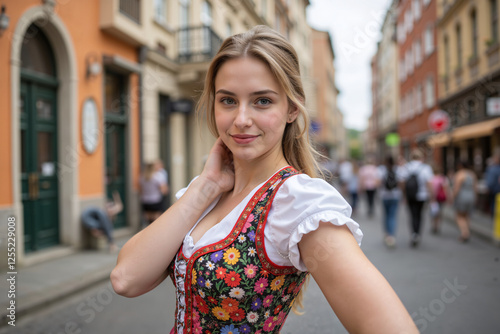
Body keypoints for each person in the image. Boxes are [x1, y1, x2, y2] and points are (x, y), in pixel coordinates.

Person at [111, 26, 417, 334]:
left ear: (292, 110)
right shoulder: (206, 192)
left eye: (262, 101)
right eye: (228, 100)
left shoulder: (298, 203)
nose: (241, 119)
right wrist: (205, 187)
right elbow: (126, 278)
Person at [401, 149, 434, 248]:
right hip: (422, 196)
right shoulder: (426, 168)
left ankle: (413, 233)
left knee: (412, 214)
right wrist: (432, 196)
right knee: (419, 215)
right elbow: (429, 183)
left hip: (410, 195)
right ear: (421, 157)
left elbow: (402, 182)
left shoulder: (406, 167)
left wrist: (404, 195)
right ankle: (417, 233)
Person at [379, 156, 403, 248]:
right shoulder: (399, 170)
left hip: (384, 196)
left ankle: (387, 234)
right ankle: (391, 236)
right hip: (395, 195)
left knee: (386, 215)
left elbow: (378, 183)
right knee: (392, 216)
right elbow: (401, 184)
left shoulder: (381, 169)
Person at [452, 160, 477, 242]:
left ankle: (464, 233)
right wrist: (475, 198)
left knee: (459, 216)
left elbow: (456, 188)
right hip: (471, 196)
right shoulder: (472, 174)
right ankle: (467, 231)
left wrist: (452, 197)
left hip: (462, 196)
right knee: (466, 215)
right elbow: (475, 188)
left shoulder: (460, 174)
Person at [429, 166, 451, 234]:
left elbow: (430, 189)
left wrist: (432, 197)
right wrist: (448, 198)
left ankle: (434, 225)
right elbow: (446, 189)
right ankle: (437, 225)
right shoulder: (443, 178)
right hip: (441, 198)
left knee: (433, 212)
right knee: (439, 212)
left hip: (433, 198)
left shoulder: (431, 178)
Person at [485, 152, 500, 217]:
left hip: (494, 191)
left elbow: (490, 182)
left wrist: (488, 188)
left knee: (494, 206)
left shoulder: (492, 169)